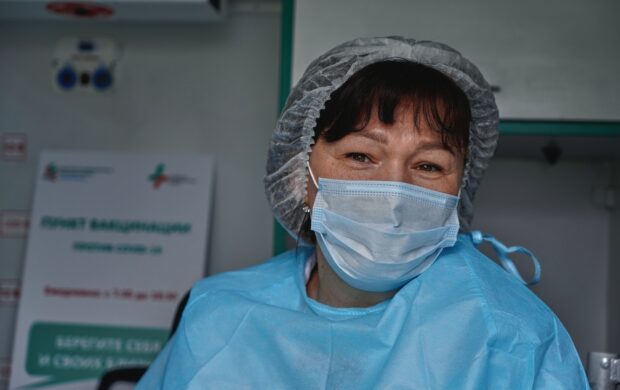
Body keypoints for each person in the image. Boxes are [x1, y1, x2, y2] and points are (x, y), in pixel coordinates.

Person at [137, 37, 589, 389]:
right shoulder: (219, 317)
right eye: (360, 156)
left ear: (460, 186)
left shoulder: (510, 334)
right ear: (300, 176)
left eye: (428, 166)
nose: (394, 191)